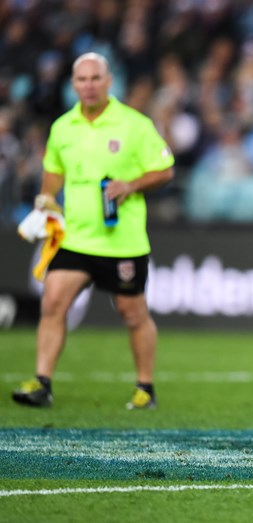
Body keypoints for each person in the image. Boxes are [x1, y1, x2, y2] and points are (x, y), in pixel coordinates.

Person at [11, 52, 175, 410]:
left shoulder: (134, 124)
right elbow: (54, 169)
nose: (88, 86)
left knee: (134, 315)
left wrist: (130, 185)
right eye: (81, 80)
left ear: (109, 80)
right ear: (73, 84)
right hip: (76, 237)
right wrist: (46, 197)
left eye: (95, 78)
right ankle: (42, 383)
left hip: (122, 243)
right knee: (52, 303)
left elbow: (165, 169)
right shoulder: (62, 127)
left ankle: (145, 388)